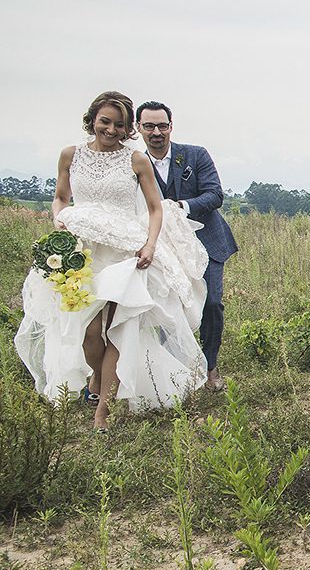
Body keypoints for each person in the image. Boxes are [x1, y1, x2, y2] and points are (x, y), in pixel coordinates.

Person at [15, 92, 210, 431]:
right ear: (92, 120)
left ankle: (102, 411)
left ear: (127, 129)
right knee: (90, 334)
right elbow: (60, 198)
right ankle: (95, 377)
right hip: (85, 251)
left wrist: (149, 245)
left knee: (117, 328)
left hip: (125, 255)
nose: (111, 129)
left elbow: (154, 208)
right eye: (105, 121)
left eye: (119, 124)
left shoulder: (136, 160)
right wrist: (60, 220)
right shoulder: (70, 155)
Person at [135, 100, 237, 391]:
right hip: (163, 247)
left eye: (162, 125)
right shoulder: (136, 163)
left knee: (212, 303)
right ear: (139, 128)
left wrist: (179, 207)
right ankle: (176, 369)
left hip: (207, 241)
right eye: (149, 126)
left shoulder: (195, 155)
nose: (157, 132)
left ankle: (210, 367)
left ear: (171, 126)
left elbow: (215, 195)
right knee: (171, 307)